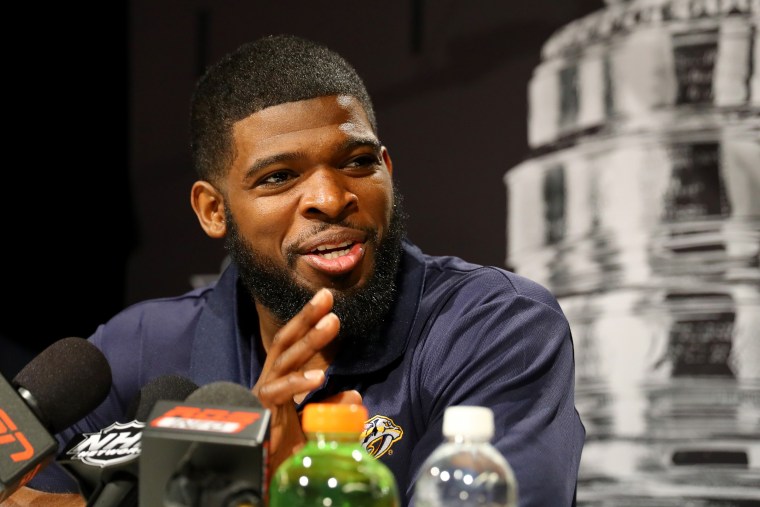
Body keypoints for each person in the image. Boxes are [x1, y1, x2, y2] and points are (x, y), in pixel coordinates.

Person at [20, 34, 585, 506]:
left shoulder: (494, 328)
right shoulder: (143, 346)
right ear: (214, 211)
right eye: (279, 177)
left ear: (387, 169)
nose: (331, 198)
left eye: (357, 163)